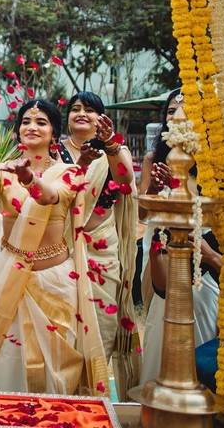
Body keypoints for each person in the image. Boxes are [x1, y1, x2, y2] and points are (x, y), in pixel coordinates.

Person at [0, 100, 110, 396]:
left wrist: (30, 180)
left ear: (54, 134)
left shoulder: (69, 171)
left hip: (54, 280)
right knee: (9, 358)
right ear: (17, 132)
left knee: (58, 362)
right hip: (9, 276)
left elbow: (50, 196)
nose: (32, 126)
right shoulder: (2, 172)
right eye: (26, 121)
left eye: (41, 122)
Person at [137, 90, 221, 386]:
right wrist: (154, 192)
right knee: (162, 323)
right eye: (171, 111)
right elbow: (142, 215)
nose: (178, 117)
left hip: (204, 263)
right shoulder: (154, 159)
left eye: (186, 111)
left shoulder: (215, 165)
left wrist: (207, 252)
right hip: (162, 255)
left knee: (200, 334)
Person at [58, 92, 140, 395]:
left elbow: (126, 181)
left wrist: (111, 146)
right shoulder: (57, 152)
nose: (81, 113)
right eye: (75, 109)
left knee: (101, 332)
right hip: (63, 255)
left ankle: (92, 401)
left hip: (102, 255)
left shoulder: (114, 152)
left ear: (101, 119)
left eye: (90, 110)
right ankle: (64, 398)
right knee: (65, 334)